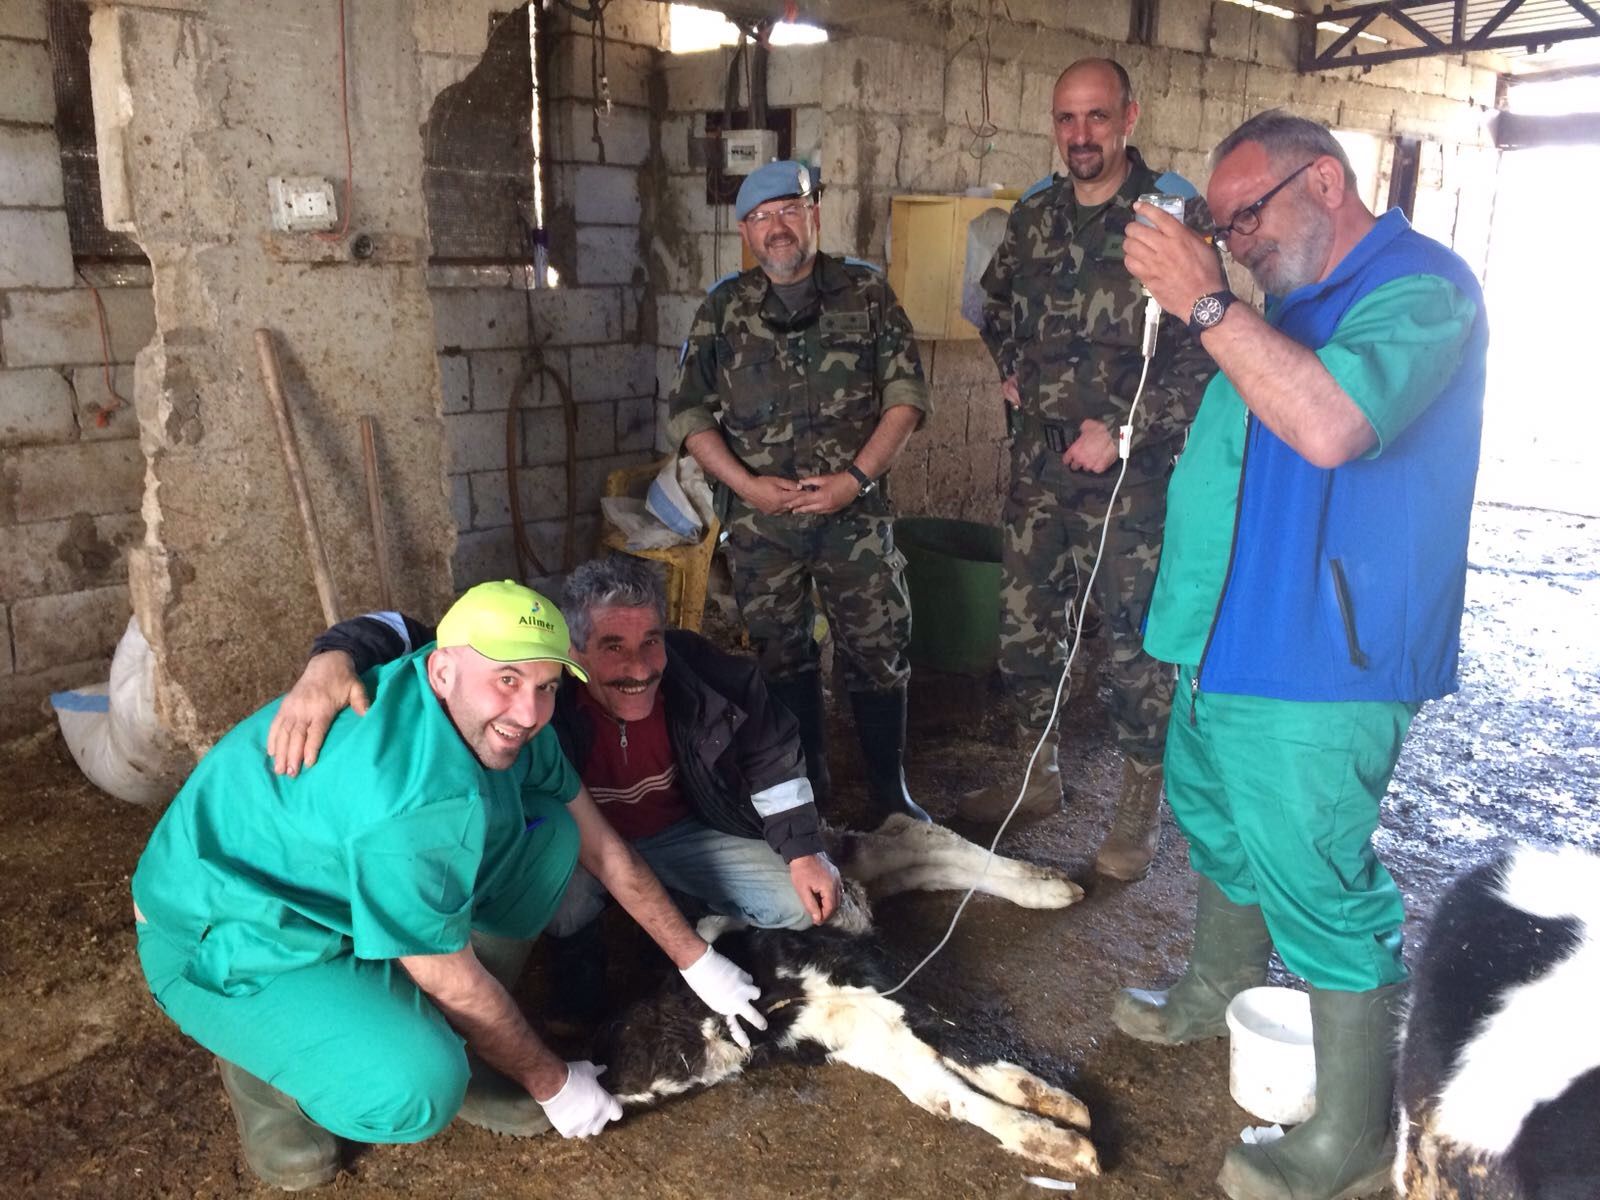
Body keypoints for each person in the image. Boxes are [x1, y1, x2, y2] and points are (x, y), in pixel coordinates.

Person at [1114, 110, 1486, 1200]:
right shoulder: (1288, 302)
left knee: (1316, 876)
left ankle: (1355, 1135)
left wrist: (1206, 299)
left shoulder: (1421, 289)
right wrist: (1179, 628)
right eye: (1221, 228)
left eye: (1247, 216)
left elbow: (1330, 425)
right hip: (1222, 638)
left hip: (1320, 655)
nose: (1234, 241)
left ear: (1323, 181)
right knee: (1218, 824)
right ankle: (1215, 983)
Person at [132, 581, 768, 1190]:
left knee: (550, 839)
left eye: (545, 687)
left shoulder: (498, 720)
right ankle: (264, 1073)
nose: (527, 711)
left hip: (334, 890)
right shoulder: (410, 802)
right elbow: (446, 968)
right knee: (416, 1093)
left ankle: (465, 1042)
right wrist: (553, 1082)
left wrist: (699, 961)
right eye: (508, 681)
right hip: (229, 934)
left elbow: (604, 847)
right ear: (439, 671)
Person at [268, 555, 842, 1023]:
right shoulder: (539, 686)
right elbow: (402, 631)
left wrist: (803, 849)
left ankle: (692, 919)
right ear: (572, 650)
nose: (639, 666)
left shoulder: (707, 676)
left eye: (651, 640)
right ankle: (582, 993)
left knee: (798, 902)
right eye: (613, 645)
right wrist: (330, 659)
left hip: (684, 830)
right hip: (582, 841)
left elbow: (772, 751)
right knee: (558, 889)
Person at [961, 58, 1218, 884]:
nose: (1081, 135)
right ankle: (1037, 779)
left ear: (1129, 117)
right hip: (1038, 472)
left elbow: (1203, 355)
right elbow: (992, 304)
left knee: (1136, 652)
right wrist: (1007, 366)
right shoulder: (1033, 218)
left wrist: (1126, 432)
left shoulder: (1169, 222)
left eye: (1097, 118)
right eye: (1068, 119)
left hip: (1127, 485)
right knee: (1028, 631)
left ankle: (1136, 815)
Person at [665, 158, 932, 827]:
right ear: (744, 231)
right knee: (781, 656)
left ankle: (889, 794)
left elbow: (906, 401)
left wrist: (854, 481)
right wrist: (747, 486)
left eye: (790, 209)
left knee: (877, 650)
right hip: (762, 529)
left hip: (855, 518)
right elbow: (689, 417)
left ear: (814, 212)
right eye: (761, 217)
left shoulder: (868, 294)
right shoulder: (724, 308)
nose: (777, 227)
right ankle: (807, 784)